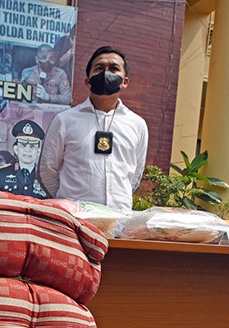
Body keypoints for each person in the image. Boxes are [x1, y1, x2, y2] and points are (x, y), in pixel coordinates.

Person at [39, 46, 148, 213]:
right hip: (75, 221)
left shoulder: (137, 125)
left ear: (125, 82)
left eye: (114, 68)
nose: (106, 73)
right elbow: (47, 170)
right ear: (87, 81)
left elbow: (135, 175)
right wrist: (69, 205)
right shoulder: (65, 121)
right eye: (99, 68)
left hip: (119, 221)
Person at [0, 120, 51, 199]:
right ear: (16, 149)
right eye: (23, 145)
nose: (27, 150)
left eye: (32, 146)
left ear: (38, 151)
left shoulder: (46, 177)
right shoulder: (1, 174)